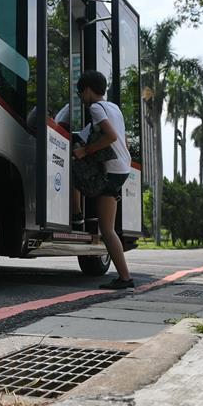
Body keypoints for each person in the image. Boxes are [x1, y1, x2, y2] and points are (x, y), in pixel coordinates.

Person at [71, 70, 134, 290]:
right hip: (122, 168)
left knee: (70, 167)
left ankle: (76, 216)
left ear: (88, 89)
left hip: (112, 170)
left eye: (80, 92)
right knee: (108, 228)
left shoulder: (96, 108)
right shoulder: (113, 107)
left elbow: (111, 137)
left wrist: (85, 151)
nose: (80, 97)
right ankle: (124, 277)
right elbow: (122, 139)